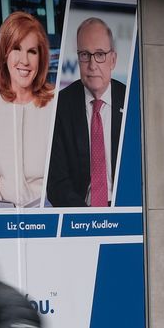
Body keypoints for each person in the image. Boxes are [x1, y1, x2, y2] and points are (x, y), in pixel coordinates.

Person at [0, 10, 56, 207]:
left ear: (41, 58)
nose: (24, 61)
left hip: (47, 213)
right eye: (16, 49)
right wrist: (1, 216)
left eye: (32, 51)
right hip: (5, 216)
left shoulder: (55, 103)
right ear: (5, 54)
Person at [46, 17, 127, 207]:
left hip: (124, 210)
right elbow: (56, 183)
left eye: (100, 54)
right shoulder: (60, 105)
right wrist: (86, 217)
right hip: (79, 210)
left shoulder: (131, 100)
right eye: (85, 55)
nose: (92, 65)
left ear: (113, 60)